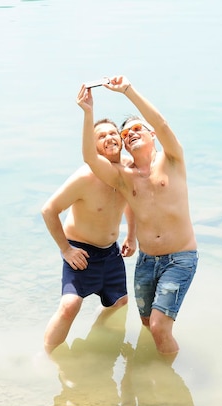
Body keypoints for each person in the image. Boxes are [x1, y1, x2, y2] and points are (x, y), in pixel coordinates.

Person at [77, 75, 198, 357]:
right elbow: (90, 158)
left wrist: (127, 91)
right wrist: (88, 113)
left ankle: (168, 392)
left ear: (151, 134)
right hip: (146, 261)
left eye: (136, 129)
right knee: (147, 324)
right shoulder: (124, 177)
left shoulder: (172, 160)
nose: (130, 134)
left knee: (158, 326)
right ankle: (152, 372)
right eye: (125, 134)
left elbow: (162, 123)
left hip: (180, 258)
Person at [42, 117, 136, 355]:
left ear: (121, 138)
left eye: (112, 133)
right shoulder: (85, 177)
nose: (109, 138)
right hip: (80, 251)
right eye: (101, 136)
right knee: (69, 306)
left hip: (111, 252)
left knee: (119, 303)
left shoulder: (129, 170)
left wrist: (131, 236)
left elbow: (131, 203)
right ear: (94, 148)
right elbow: (49, 210)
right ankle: (47, 356)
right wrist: (66, 249)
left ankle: (95, 337)